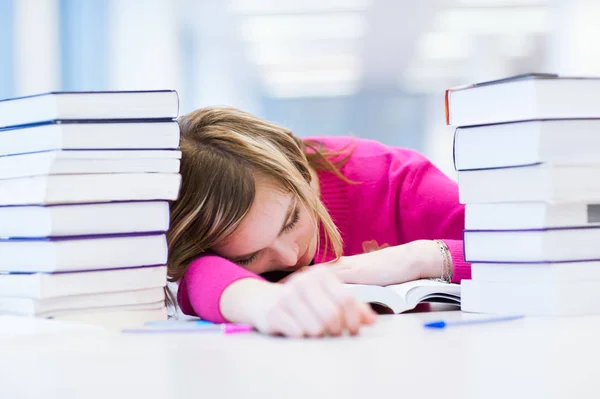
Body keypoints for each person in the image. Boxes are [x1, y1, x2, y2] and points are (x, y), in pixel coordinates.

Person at [167, 107, 471, 338]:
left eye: (291, 221)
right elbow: (196, 279)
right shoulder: (207, 238)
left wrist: (420, 258)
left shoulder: (395, 178)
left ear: (299, 165)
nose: (288, 257)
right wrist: (262, 302)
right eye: (247, 257)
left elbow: (512, 248)